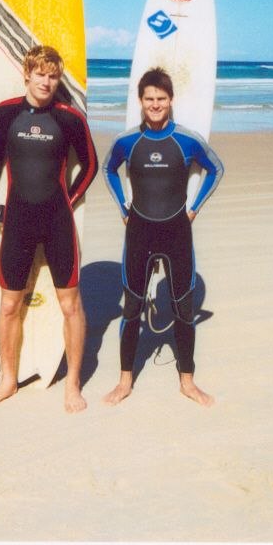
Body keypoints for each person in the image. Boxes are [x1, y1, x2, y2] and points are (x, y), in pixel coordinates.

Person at [0, 44, 97, 413]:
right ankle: (8, 379)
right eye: (40, 74)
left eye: (53, 75)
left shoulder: (70, 119)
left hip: (58, 221)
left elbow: (90, 166)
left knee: (71, 304)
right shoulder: (4, 114)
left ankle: (73, 384)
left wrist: (70, 199)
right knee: (10, 304)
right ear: (26, 74)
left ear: (57, 79)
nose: (46, 81)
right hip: (17, 222)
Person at [102, 67, 224, 406]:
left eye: (161, 99)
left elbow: (216, 168)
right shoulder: (128, 141)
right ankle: (125, 381)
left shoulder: (187, 140)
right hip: (140, 230)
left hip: (176, 231)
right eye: (149, 99)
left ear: (170, 101)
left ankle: (188, 381)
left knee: (184, 308)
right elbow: (108, 168)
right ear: (140, 101)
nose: (155, 104)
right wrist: (123, 209)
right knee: (132, 308)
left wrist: (195, 207)